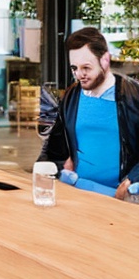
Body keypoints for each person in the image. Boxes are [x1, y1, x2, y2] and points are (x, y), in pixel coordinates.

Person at [38, 26, 139, 199]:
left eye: (86, 67)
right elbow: (55, 144)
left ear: (105, 60)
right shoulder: (72, 96)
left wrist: (132, 179)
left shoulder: (133, 95)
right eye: (74, 68)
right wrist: (54, 167)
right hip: (78, 190)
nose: (79, 75)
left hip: (121, 196)